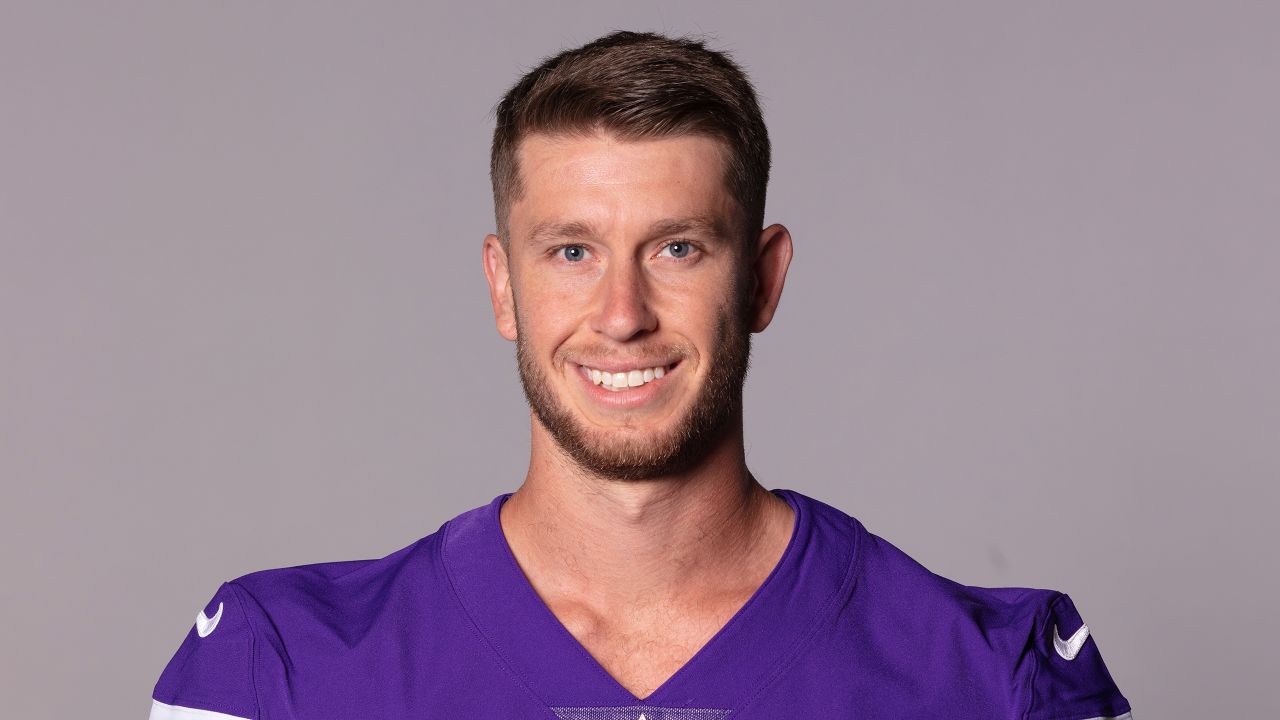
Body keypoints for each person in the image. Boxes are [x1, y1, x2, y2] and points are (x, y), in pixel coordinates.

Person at [149, 31, 1132, 720]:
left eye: (677, 249)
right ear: (502, 287)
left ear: (761, 279)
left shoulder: (993, 682)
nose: (621, 316)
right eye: (571, 253)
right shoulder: (277, 672)